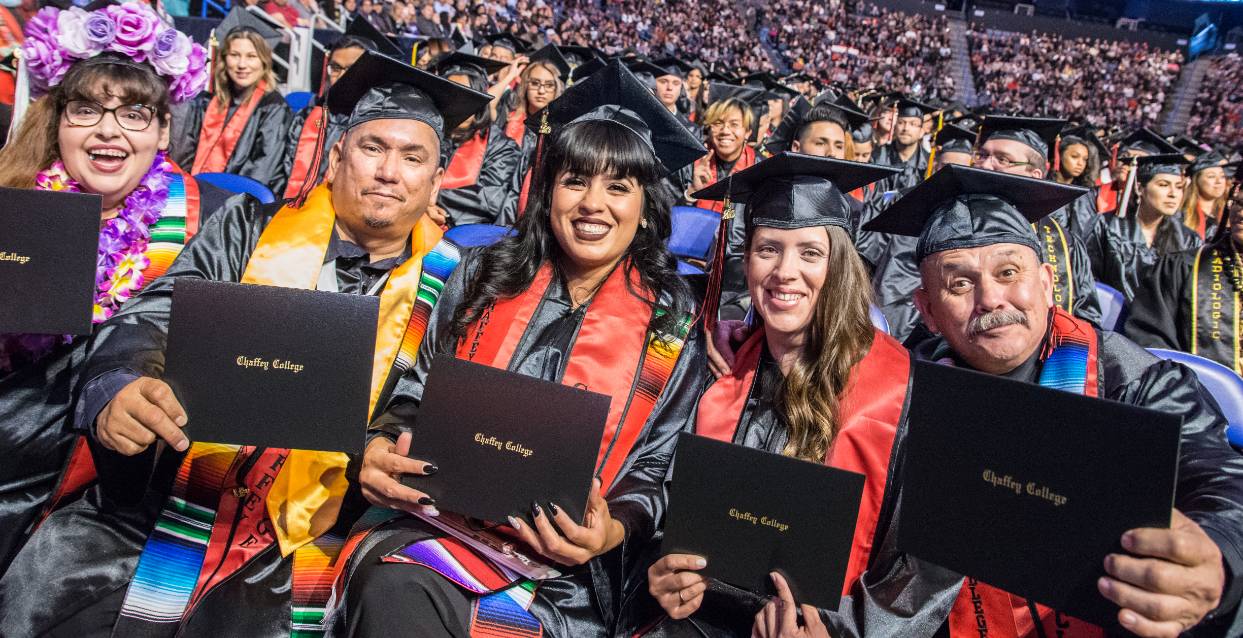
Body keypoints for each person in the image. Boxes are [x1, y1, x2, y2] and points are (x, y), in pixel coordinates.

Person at [0, 51, 492, 636]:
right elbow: (157, 312)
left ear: (437, 180)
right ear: (336, 157)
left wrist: (385, 442)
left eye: (413, 158)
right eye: (372, 147)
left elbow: (422, 397)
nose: (389, 171)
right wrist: (122, 382)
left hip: (311, 534)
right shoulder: (247, 227)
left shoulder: (455, 283)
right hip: (165, 502)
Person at [333, 59, 709, 637]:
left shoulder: (672, 324)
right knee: (396, 590)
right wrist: (379, 443)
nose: (593, 204)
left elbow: (656, 468)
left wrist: (613, 529)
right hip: (433, 531)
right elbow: (413, 382)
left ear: (645, 203)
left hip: (566, 576)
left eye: (618, 186)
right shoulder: (483, 274)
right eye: (575, 179)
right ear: (548, 187)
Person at [860, 164, 1243, 638]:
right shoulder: (900, 393)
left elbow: (1222, 481)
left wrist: (1220, 557)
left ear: (1045, 282)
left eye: (1008, 272)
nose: (991, 299)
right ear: (928, 311)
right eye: (960, 284)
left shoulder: (1133, 382)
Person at [630, 154, 918, 637]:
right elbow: (670, 500)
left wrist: (836, 631)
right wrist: (661, 571)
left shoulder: (900, 391)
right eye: (768, 249)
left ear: (840, 266)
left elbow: (913, 573)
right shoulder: (718, 370)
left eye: (810, 253)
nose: (785, 271)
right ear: (748, 261)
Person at [0, 2, 218, 575]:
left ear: (165, 128)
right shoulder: (13, 206)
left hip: (124, 489)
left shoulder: (210, 225)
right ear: (57, 120)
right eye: (87, 109)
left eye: (135, 113)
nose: (108, 130)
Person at [1126, 167, 1242, 375]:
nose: (1241, 213)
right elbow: (1151, 342)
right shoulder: (1181, 267)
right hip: (1200, 399)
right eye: (1239, 203)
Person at [173, 10, 292, 190]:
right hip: (194, 193)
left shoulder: (274, 107)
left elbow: (262, 169)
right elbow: (187, 151)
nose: (242, 65)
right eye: (235, 55)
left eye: (251, 56)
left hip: (241, 203)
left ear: (264, 61)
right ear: (223, 58)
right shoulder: (207, 100)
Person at [277, 23, 383, 200]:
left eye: (352, 68)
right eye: (336, 68)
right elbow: (284, 171)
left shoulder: (380, 125)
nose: (342, 76)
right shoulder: (308, 115)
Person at [1090, 154, 1203, 301]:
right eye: (1163, 185)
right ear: (1139, 188)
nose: (1173, 194)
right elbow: (1090, 279)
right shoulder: (1107, 226)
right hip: (1111, 319)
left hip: (1163, 322)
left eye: (1179, 187)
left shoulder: (1188, 239)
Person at [431, 51, 522, 225]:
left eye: (467, 96)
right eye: (450, 95)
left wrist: (424, 199)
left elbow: (490, 199)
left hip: (465, 239)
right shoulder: (426, 135)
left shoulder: (501, 145)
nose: (458, 104)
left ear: (481, 100)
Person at [499, 44, 567, 214]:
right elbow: (486, 109)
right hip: (496, 197)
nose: (541, 90)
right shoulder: (507, 117)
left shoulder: (561, 132)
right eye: (535, 83)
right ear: (525, 86)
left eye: (549, 85)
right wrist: (510, 77)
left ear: (556, 89)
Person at [871, 96, 935, 191]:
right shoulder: (876, 156)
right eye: (901, 122)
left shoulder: (929, 164)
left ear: (921, 131)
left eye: (913, 124)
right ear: (895, 126)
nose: (906, 128)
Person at [1180, 151, 1231, 240]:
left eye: (1222, 176)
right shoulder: (1181, 216)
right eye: (1211, 176)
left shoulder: (1230, 214)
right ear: (1196, 180)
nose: (1218, 181)